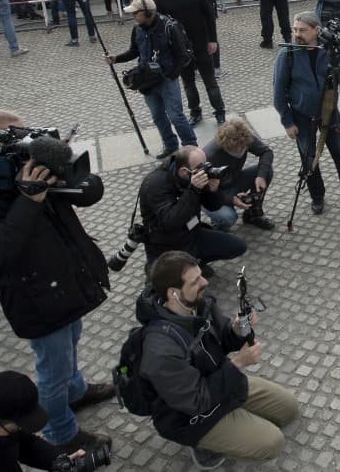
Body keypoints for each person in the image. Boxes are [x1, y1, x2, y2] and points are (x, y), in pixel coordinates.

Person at [0, 108, 115, 454]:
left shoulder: (26, 172)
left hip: (63, 284)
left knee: (72, 341)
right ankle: (62, 435)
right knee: (53, 369)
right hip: (37, 298)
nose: (30, 143)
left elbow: (84, 195)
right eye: (19, 136)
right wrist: (28, 200)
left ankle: (76, 392)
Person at [138, 251, 300, 469]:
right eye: (195, 281)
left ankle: (235, 419)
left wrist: (237, 329)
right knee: (272, 443)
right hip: (189, 416)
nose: (205, 282)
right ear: (174, 293)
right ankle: (204, 444)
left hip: (220, 383)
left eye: (201, 275)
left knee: (289, 409)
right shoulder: (161, 349)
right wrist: (239, 364)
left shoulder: (198, 302)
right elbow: (196, 400)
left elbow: (222, 338)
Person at [272, 11, 340, 215]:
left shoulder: (330, 48)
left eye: (302, 30)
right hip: (301, 115)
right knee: (309, 159)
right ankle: (317, 196)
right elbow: (278, 92)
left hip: (330, 111)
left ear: (316, 30)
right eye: (295, 29)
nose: (297, 34)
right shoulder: (287, 54)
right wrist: (287, 121)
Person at [105, 0, 198, 159]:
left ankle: (191, 147)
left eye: (135, 13)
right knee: (158, 116)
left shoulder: (169, 27)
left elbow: (183, 55)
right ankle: (170, 145)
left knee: (176, 116)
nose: (133, 16)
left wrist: (171, 75)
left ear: (147, 13)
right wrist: (116, 58)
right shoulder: (137, 29)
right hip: (147, 81)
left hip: (167, 80)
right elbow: (134, 51)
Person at [137, 145, 248, 272]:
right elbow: (172, 221)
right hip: (166, 245)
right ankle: (158, 266)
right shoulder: (155, 184)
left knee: (238, 246)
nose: (205, 170)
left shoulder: (195, 175)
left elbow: (213, 206)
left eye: (206, 164)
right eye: (200, 168)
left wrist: (213, 190)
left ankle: (196, 262)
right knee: (170, 282)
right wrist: (194, 190)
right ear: (184, 171)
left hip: (192, 233)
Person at [156, 0, 225, 126]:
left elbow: (210, 17)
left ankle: (220, 112)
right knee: (188, 83)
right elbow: (160, 27)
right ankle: (195, 112)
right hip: (179, 49)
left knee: (210, 81)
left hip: (201, 43)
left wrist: (213, 40)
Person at [200, 118, 277, 231]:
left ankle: (252, 214)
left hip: (233, 181)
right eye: (237, 149)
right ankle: (218, 226)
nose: (241, 150)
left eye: (244, 147)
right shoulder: (209, 156)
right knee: (228, 217)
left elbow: (266, 152)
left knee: (266, 171)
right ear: (225, 146)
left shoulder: (244, 137)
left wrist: (261, 176)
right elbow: (204, 194)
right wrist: (231, 200)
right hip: (212, 195)